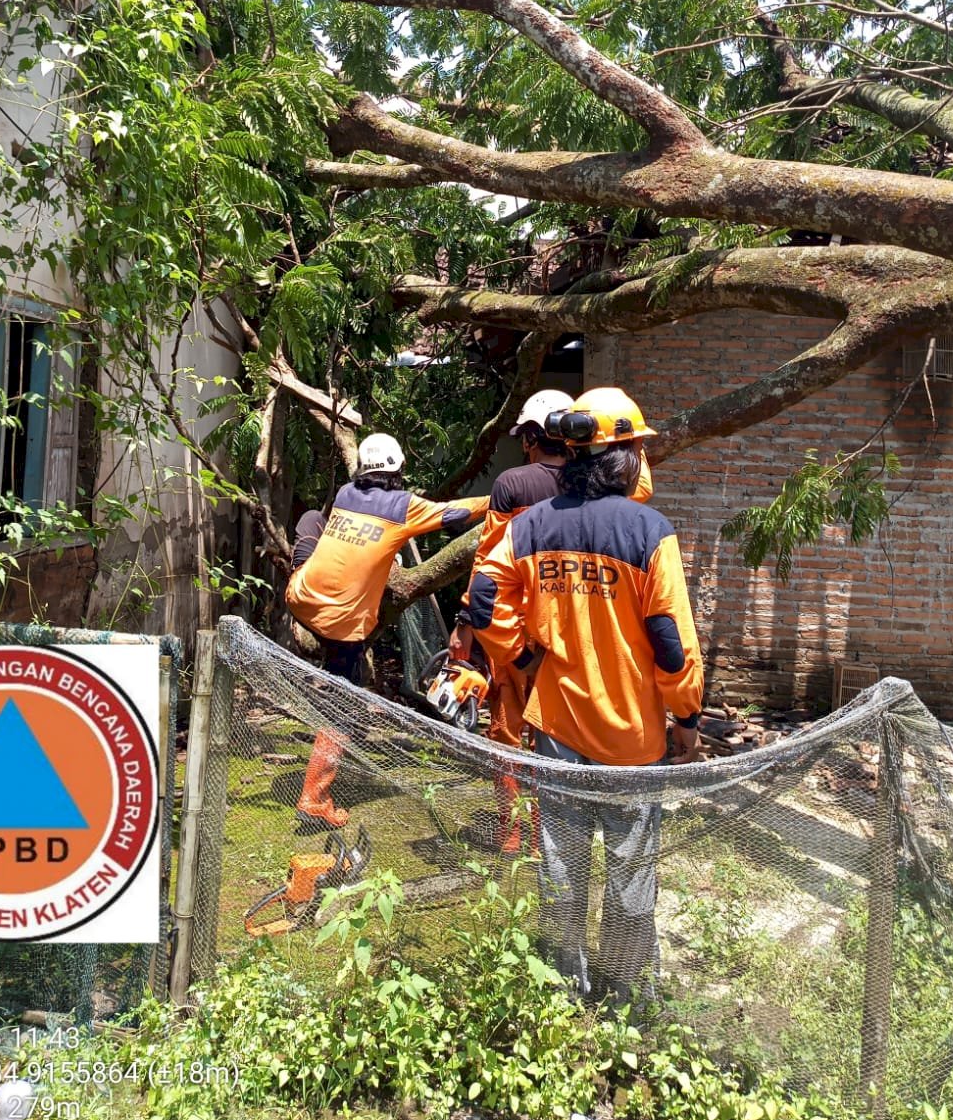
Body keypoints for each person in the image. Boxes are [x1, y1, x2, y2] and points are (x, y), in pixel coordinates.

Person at [464, 388, 702, 1003]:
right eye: (638, 449)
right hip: (633, 740)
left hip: (557, 735)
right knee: (629, 876)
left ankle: (561, 992)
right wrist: (687, 722)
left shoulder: (530, 527)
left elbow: (484, 602)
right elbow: (671, 643)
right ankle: (625, 1000)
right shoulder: (650, 531)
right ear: (620, 456)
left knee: (562, 870)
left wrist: (522, 659)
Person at [451, 389, 655, 851]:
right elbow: (641, 481)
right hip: (576, 635)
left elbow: (488, 563)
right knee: (564, 733)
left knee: (507, 734)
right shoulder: (615, 489)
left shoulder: (512, 485)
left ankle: (513, 833)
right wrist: (621, 439)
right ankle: (557, 830)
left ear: (529, 438)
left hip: (518, 635)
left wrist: (469, 623)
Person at [285, 432, 489, 827]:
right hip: (343, 623)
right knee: (340, 706)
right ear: (397, 469)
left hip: (300, 596)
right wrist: (496, 502)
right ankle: (314, 797)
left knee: (312, 521)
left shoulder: (345, 493)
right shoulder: (403, 505)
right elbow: (453, 514)